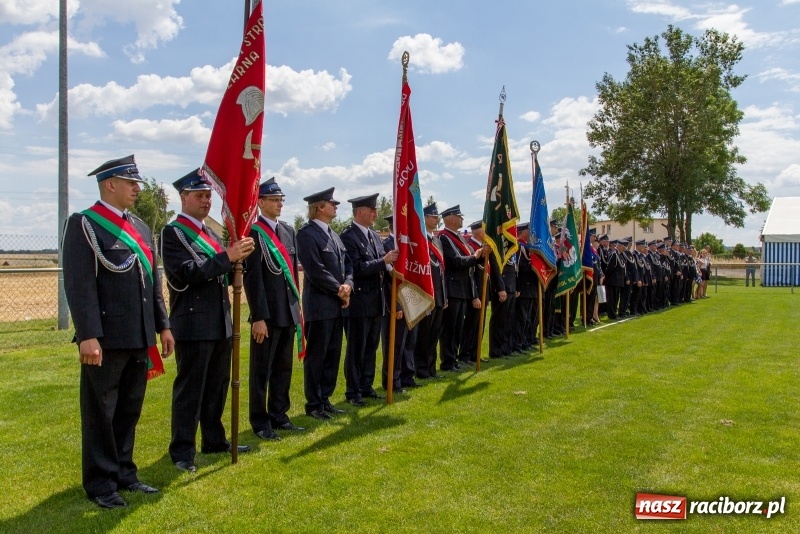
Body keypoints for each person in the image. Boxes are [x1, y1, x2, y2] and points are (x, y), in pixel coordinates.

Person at [62, 155, 174, 509]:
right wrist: (88, 335)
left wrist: (163, 325)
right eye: (131, 183)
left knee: (129, 408)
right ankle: (100, 483)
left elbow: (153, 283)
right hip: (106, 338)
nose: (138, 189)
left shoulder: (140, 227)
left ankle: (125, 473)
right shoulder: (84, 225)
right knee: (101, 412)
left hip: (139, 335)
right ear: (110, 184)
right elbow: (80, 285)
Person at [161, 169, 254, 473]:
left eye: (208, 196)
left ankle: (214, 439)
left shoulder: (211, 234)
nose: (205, 201)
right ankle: (182, 450)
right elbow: (188, 272)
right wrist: (227, 257)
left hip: (219, 321)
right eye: (199, 195)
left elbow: (220, 272)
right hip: (193, 321)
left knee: (217, 386)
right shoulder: (173, 233)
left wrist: (238, 263)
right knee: (191, 389)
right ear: (183, 197)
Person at [243, 178, 305, 442]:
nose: (280, 203)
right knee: (261, 372)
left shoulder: (289, 231)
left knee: (283, 369)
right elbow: (253, 279)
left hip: (287, 312)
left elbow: (292, 274)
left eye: (281, 199)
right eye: (274, 199)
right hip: (266, 316)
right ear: (260, 202)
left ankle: (279, 415)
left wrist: (297, 311)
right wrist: (258, 316)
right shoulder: (253, 233)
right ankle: (260, 422)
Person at [296, 187, 353, 420]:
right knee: (317, 356)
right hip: (319, 305)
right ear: (319, 207)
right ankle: (313, 403)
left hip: (337, 304)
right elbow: (315, 269)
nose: (336, 206)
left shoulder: (335, 234)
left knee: (332, 354)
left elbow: (347, 264)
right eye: (332, 203)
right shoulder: (307, 234)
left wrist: (348, 283)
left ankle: (325, 398)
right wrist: (339, 289)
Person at [340, 194, 398, 405]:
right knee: (357, 348)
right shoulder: (348, 236)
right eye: (371, 210)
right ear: (359, 212)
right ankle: (353, 392)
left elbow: (383, 265)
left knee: (371, 346)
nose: (375, 213)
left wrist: (389, 265)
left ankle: (366, 385)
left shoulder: (374, 236)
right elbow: (356, 269)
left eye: (375, 210)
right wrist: (383, 261)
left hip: (376, 300)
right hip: (359, 302)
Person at [437, 205, 484, 371]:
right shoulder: (444, 238)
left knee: (458, 328)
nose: (462, 220)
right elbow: (455, 261)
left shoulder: (458, 237)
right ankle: (448, 361)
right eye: (459, 217)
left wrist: (478, 257)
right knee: (449, 328)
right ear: (451, 219)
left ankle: (454, 360)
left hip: (463, 288)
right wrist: (474, 256)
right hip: (453, 287)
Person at [380, 215, 419, 391]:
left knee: (409, 342)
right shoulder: (386, 246)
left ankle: (407, 376)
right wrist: (395, 305)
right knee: (395, 344)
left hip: (411, 300)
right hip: (396, 301)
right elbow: (389, 280)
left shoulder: (409, 245)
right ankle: (393, 381)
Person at [414, 203, 447, 379]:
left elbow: (442, 271)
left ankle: (431, 368)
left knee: (434, 334)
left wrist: (444, 295)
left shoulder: (437, 241)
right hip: (426, 294)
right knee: (424, 335)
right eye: (433, 217)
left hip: (439, 295)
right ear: (425, 218)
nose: (437, 220)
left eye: (437, 217)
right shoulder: (420, 240)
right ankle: (421, 369)